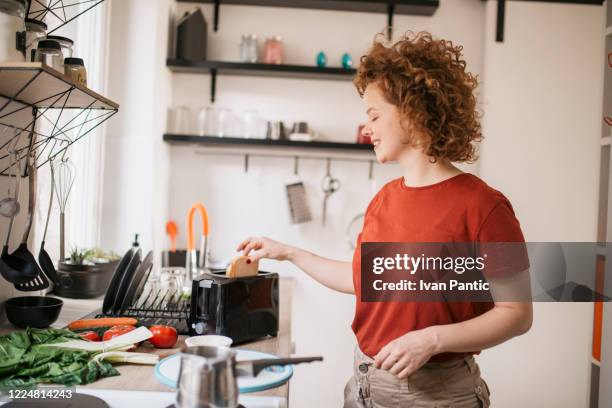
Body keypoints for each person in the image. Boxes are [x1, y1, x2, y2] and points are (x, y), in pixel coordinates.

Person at [237, 31, 532, 408]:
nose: (367, 128)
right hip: (364, 384)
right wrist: (288, 252)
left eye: (374, 115)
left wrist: (432, 339)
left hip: (437, 396)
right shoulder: (384, 199)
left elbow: (517, 313)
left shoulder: (485, 207)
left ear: (413, 112)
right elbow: (360, 279)